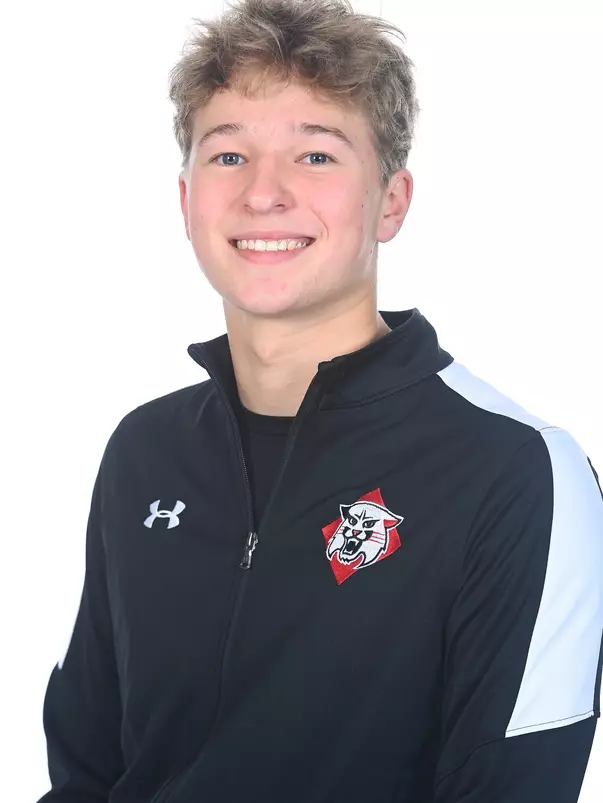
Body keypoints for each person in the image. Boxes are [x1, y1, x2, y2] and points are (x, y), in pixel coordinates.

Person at [37, 0, 603, 801]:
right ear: (185, 198)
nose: (263, 194)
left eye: (315, 157)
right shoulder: (144, 449)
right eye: (228, 156)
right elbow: (86, 767)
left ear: (391, 201)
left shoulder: (516, 472)